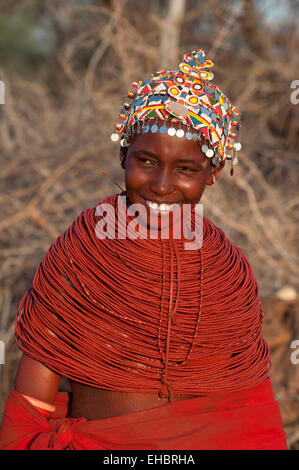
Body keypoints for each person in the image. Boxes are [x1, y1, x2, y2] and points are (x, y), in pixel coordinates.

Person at [0, 49, 287, 450]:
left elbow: (248, 413)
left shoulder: (228, 271)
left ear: (214, 174)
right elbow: (31, 405)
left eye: (186, 169)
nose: (162, 185)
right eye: (146, 161)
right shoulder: (83, 253)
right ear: (123, 156)